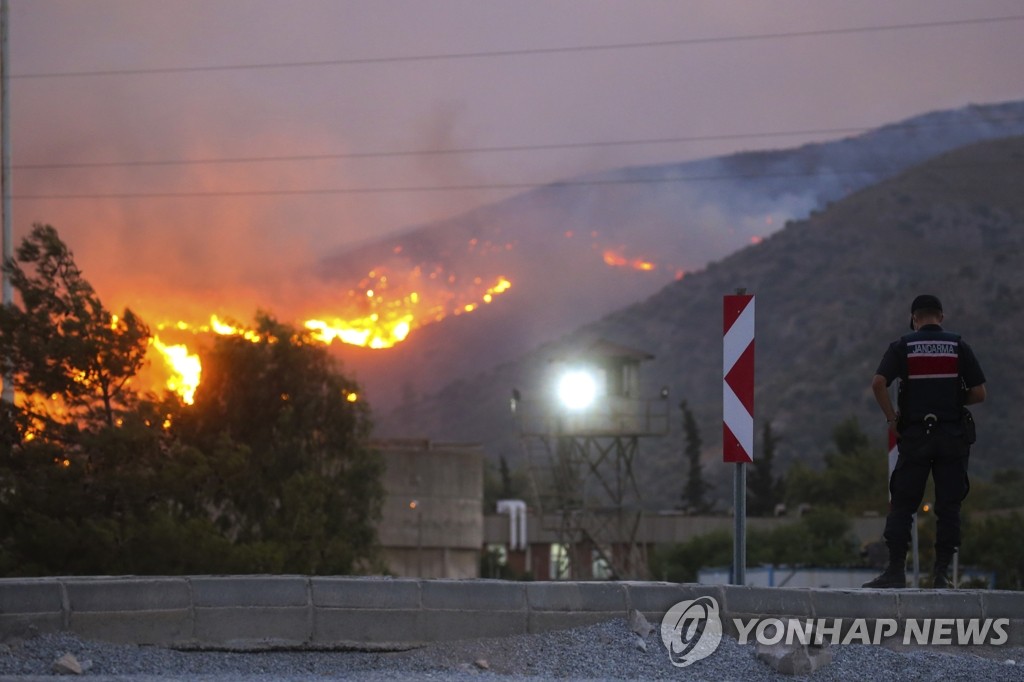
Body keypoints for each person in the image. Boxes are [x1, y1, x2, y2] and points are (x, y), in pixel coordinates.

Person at [863, 294, 986, 589]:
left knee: (903, 504)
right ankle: (941, 575)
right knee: (948, 507)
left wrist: (892, 418)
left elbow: (878, 382)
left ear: (914, 319)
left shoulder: (903, 346)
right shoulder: (958, 346)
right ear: (940, 317)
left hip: (915, 436)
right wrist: (955, 402)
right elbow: (980, 393)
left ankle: (895, 572)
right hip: (952, 438)